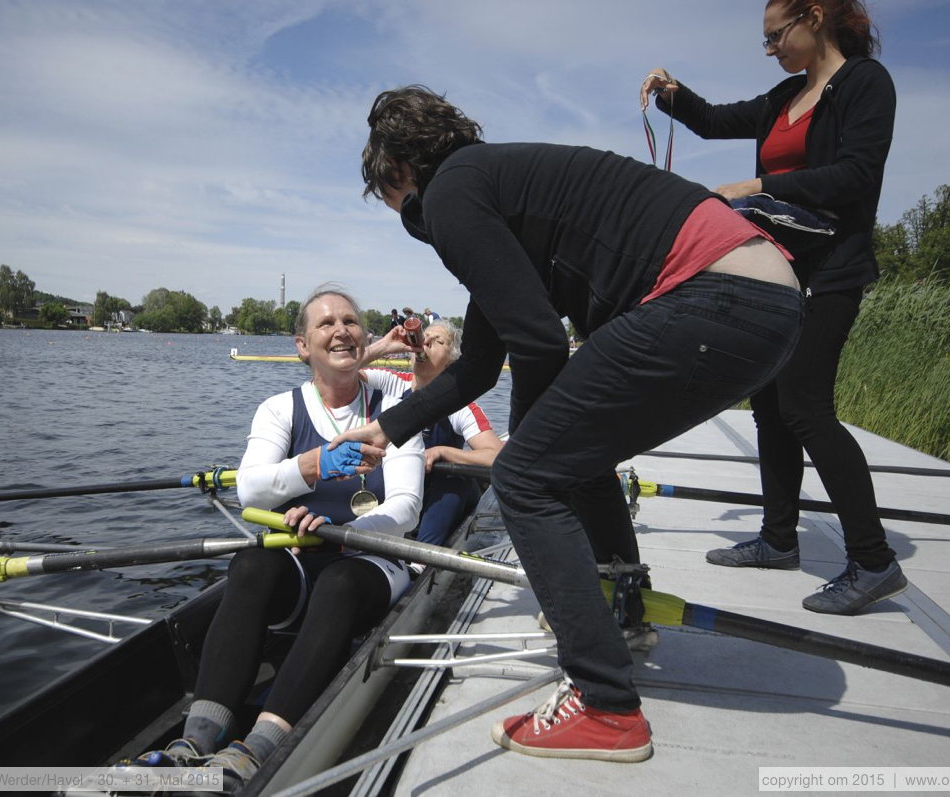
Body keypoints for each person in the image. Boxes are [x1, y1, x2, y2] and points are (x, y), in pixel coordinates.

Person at [333, 85, 803, 762]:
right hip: (767, 300)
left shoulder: (452, 192)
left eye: (395, 203)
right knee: (565, 458)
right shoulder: (500, 185)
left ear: (399, 171)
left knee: (524, 474)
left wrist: (531, 444)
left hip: (714, 295)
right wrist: (390, 427)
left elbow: (541, 344)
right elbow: (480, 363)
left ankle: (608, 706)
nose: (409, 219)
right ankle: (625, 615)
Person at [642, 0, 908, 615]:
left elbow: (855, 177)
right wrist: (669, 92)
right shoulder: (785, 95)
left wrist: (755, 187)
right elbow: (709, 120)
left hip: (833, 270)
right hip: (780, 269)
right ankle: (778, 538)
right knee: (767, 404)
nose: (770, 50)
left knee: (806, 407)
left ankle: (873, 560)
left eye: (775, 36)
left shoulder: (865, 84)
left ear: (814, 17)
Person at [135, 286, 424, 790]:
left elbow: (406, 507)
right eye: (325, 324)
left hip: (375, 556)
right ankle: (196, 739)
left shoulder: (396, 405)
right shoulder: (279, 409)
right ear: (302, 345)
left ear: (366, 337)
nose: (341, 331)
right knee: (250, 566)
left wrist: (347, 534)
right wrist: (311, 467)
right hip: (297, 553)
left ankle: (259, 744)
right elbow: (249, 488)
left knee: (338, 584)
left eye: (351, 322)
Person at [361, 318, 504, 546]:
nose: (425, 343)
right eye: (422, 337)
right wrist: (383, 346)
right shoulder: (390, 382)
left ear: (450, 363)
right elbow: (335, 373)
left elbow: (498, 457)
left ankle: (422, 560)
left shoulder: (462, 405)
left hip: (438, 494)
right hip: (396, 488)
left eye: (438, 341)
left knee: (456, 479)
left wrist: (443, 452)